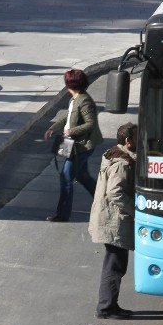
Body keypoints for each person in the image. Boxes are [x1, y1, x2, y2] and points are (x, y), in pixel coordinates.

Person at [89, 122, 138, 320]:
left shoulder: (114, 154)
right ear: (128, 141)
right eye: (136, 137)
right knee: (115, 265)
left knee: (114, 262)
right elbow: (115, 192)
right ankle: (106, 307)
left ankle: (109, 305)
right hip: (115, 222)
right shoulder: (122, 163)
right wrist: (136, 209)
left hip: (111, 219)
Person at [43, 69, 103, 222]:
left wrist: (71, 131)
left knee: (65, 177)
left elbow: (91, 124)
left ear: (70, 84)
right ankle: (104, 203)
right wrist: (52, 128)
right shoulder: (74, 99)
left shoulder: (85, 101)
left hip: (82, 146)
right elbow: (67, 117)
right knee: (83, 176)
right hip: (74, 144)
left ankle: (62, 214)